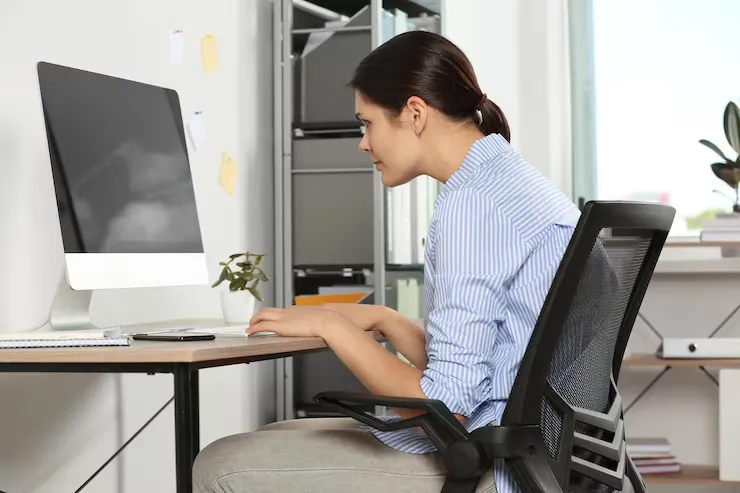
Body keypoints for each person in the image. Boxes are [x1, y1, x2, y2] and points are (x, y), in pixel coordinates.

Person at [193, 30, 580, 493]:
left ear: (415, 114)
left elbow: (444, 405)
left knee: (220, 463)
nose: (362, 142)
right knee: (273, 438)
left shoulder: (472, 205)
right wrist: (388, 319)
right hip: (537, 449)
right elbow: (500, 361)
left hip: (490, 462)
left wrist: (330, 328)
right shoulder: (513, 181)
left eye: (367, 123)